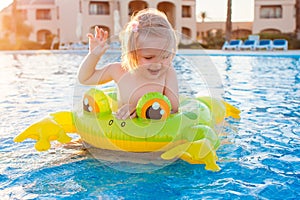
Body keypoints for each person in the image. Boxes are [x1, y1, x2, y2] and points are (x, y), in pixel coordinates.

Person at [78, 8, 179, 120]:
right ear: (132, 53)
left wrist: (139, 109)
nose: (157, 64)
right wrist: (94, 55)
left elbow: (174, 109)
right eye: (148, 57)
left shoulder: (168, 73)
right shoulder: (119, 70)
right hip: (119, 132)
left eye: (165, 57)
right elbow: (85, 79)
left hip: (155, 133)